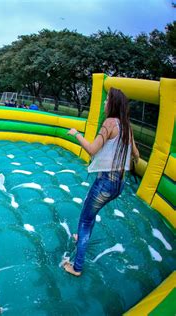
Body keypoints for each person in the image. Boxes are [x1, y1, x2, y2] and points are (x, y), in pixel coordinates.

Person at [63, 88, 139, 277]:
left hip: (105, 184)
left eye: (107, 101)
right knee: (90, 216)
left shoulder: (110, 123)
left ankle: (77, 267)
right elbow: (136, 155)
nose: (104, 104)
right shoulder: (126, 126)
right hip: (119, 185)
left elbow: (91, 149)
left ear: (112, 104)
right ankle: (81, 237)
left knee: (85, 219)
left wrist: (76, 134)